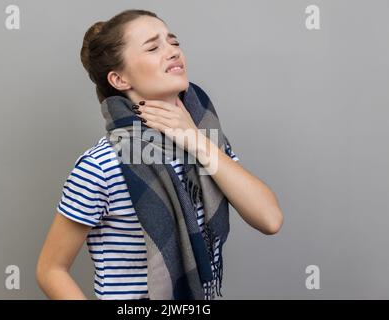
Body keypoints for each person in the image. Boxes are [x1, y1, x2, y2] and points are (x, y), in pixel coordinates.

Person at [36, 9, 283, 300]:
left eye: (174, 42)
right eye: (153, 47)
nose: (172, 52)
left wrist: (195, 139)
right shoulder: (102, 165)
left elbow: (269, 219)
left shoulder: (206, 141)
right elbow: (50, 269)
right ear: (119, 79)